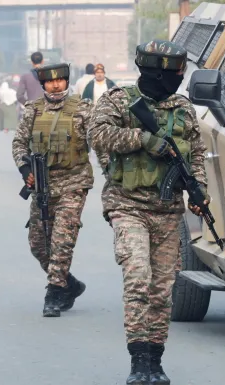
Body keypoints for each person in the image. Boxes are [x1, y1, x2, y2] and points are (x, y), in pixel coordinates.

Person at [88, 41, 208, 385]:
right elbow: (97, 135)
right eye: (174, 73)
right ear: (157, 71)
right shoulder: (118, 100)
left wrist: (199, 191)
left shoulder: (183, 109)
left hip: (168, 210)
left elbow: (196, 156)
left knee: (162, 287)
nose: (178, 80)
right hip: (127, 205)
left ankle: (155, 359)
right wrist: (143, 139)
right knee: (138, 274)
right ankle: (138, 360)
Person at [11, 63, 93, 317]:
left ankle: (54, 292)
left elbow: (99, 140)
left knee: (62, 239)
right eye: (50, 82)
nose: (56, 85)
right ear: (44, 84)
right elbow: (19, 143)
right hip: (43, 185)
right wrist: (26, 170)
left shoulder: (82, 109)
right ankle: (69, 284)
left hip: (73, 182)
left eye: (60, 81)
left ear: (67, 82)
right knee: (38, 243)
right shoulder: (33, 111)